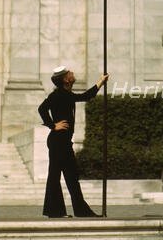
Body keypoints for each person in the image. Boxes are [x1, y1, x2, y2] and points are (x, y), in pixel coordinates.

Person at [37, 66, 109, 218]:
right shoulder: (60, 95)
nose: (73, 73)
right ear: (66, 79)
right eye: (70, 73)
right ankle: (60, 212)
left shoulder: (65, 94)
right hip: (58, 142)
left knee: (70, 175)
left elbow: (84, 96)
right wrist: (53, 125)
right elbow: (42, 109)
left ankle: (72, 211)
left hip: (61, 142)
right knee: (59, 176)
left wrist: (100, 82)